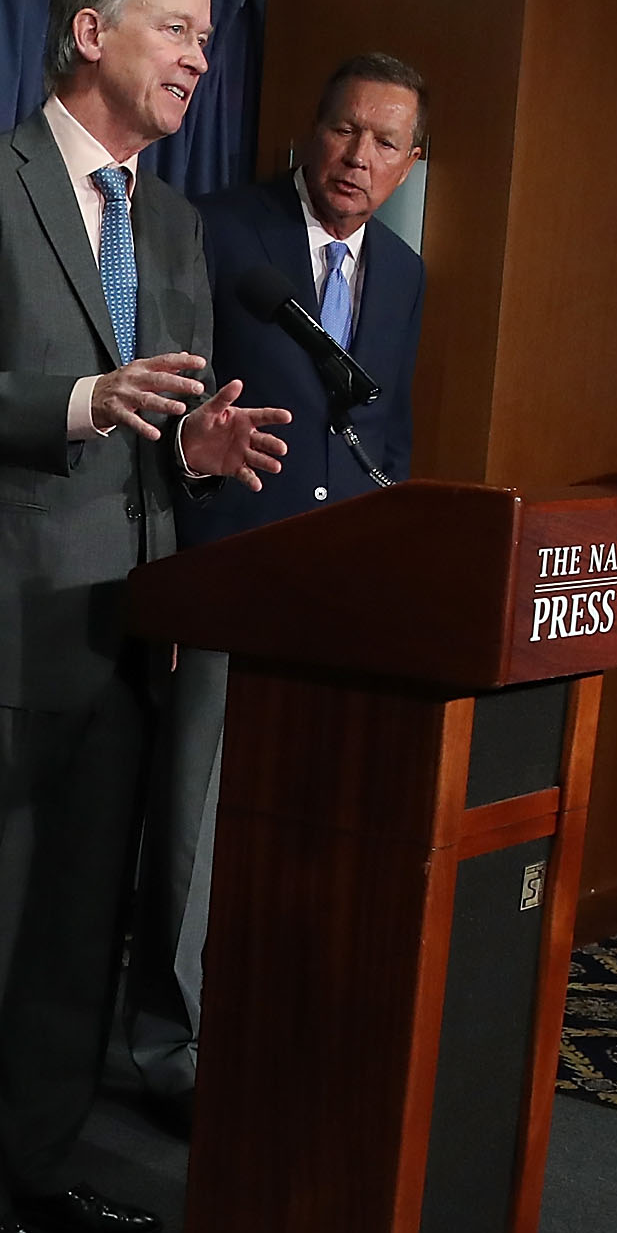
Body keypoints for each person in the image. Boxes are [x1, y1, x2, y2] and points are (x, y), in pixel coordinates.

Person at [0, 0, 289, 1233]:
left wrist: (196, 449)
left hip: (128, 631)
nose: (196, 59)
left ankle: (41, 1158)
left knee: (74, 934)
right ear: (87, 33)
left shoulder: (172, 223)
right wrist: (73, 403)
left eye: (209, 41)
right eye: (176, 29)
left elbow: (154, 418)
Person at [126, 54, 430, 1122]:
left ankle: (269, 1034)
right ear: (313, 130)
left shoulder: (401, 272)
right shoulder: (214, 229)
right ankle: (171, 1054)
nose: (359, 156)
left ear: (409, 164)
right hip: (224, 576)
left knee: (307, 834)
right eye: (346, 130)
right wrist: (167, 572)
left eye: (385, 142)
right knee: (193, 837)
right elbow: (157, 396)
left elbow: (383, 434)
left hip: (334, 604)